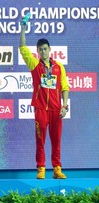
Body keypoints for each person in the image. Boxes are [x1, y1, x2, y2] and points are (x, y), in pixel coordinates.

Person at [19, 22, 69, 179]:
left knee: (56, 140)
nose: (43, 51)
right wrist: (23, 29)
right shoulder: (34, 64)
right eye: (40, 49)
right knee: (40, 140)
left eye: (45, 48)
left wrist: (65, 106)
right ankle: (41, 168)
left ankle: (57, 169)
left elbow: (64, 87)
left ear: (50, 50)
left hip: (56, 109)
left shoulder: (59, 67)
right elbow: (22, 48)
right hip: (40, 108)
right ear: (38, 52)